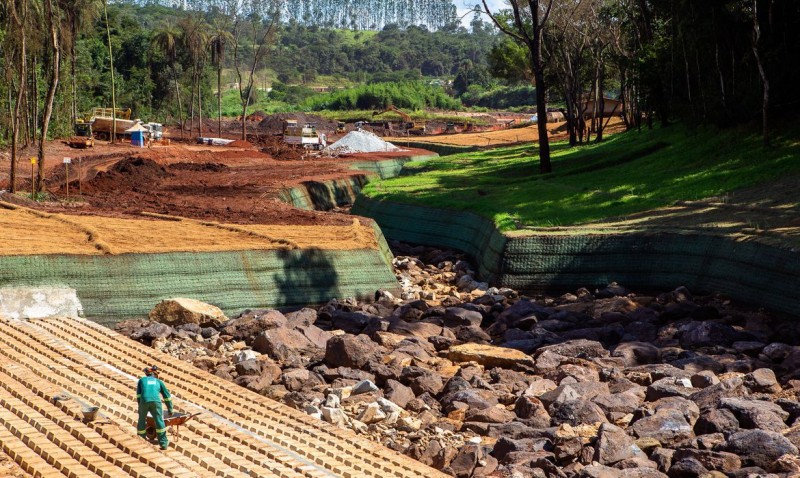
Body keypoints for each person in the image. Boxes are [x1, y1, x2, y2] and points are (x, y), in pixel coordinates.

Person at [136, 365, 173, 450]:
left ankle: (141, 440)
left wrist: (140, 406)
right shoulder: (159, 382)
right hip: (156, 402)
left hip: (144, 401)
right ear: (154, 374)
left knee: (141, 420)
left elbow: (138, 395)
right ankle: (163, 444)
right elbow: (167, 396)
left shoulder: (141, 380)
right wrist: (170, 409)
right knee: (159, 421)